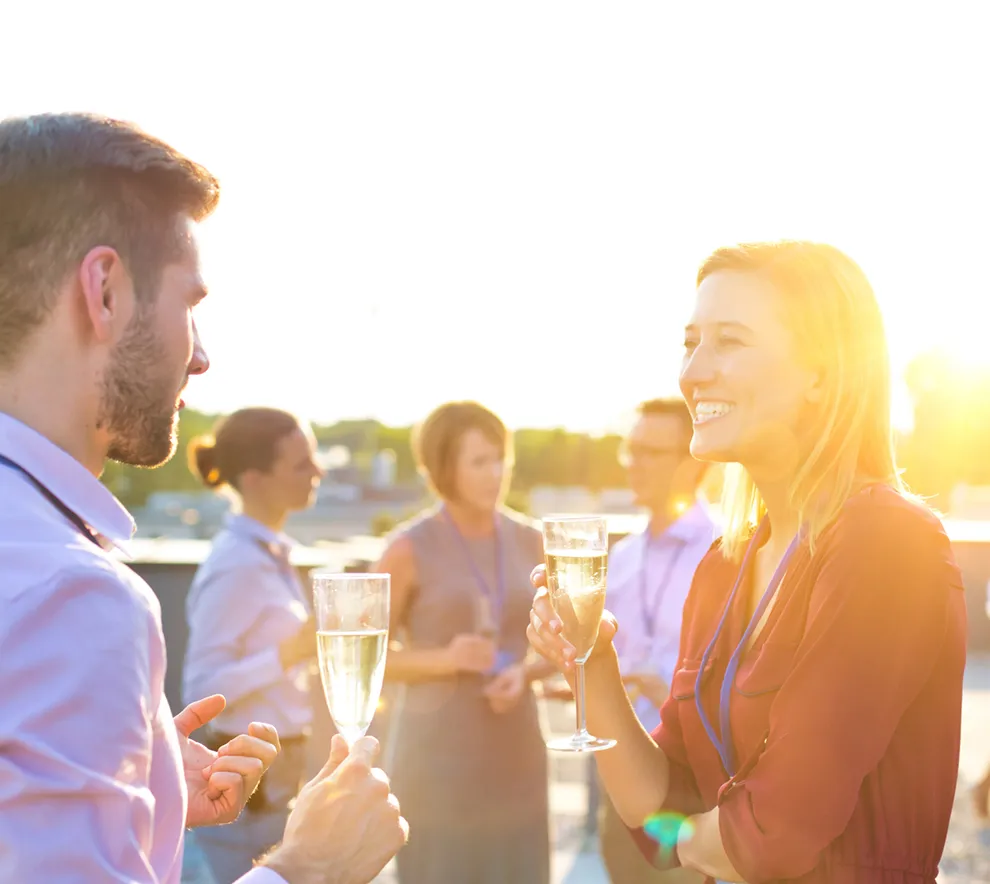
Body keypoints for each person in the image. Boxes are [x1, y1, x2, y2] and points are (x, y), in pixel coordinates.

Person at [0, 111, 406, 883]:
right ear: (106, 292)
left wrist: (136, 795)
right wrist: (306, 867)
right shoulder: (73, 596)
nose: (204, 355)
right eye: (190, 304)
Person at [527, 241, 967, 883]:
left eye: (729, 341)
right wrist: (593, 661)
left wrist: (701, 840)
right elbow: (657, 816)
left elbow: (771, 839)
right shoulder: (724, 565)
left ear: (823, 371)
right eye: (690, 342)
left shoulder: (885, 542)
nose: (692, 372)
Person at [375, 401, 553, 884]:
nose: (496, 473)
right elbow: (367, 661)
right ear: (442, 468)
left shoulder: (533, 540)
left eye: (501, 458)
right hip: (436, 761)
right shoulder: (406, 548)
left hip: (517, 750)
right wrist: (445, 660)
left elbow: (561, 642)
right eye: (479, 461)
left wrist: (526, 671)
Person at [183, 408, 325, 881]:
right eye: (302, 463)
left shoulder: (268, 553)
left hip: (279, 771)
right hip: (249, 784)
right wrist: (288, 655)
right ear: (256, 478)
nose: (318, 472)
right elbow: (200, 686)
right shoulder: (236, 565)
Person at [600, 399, 714, 884]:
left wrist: (662, 688)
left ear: (691, 462)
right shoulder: (622, 556)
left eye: (650, 451)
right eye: (632, 449)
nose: (634, 462)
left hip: (692, 781)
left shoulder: (728, 551)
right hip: (622, 780)